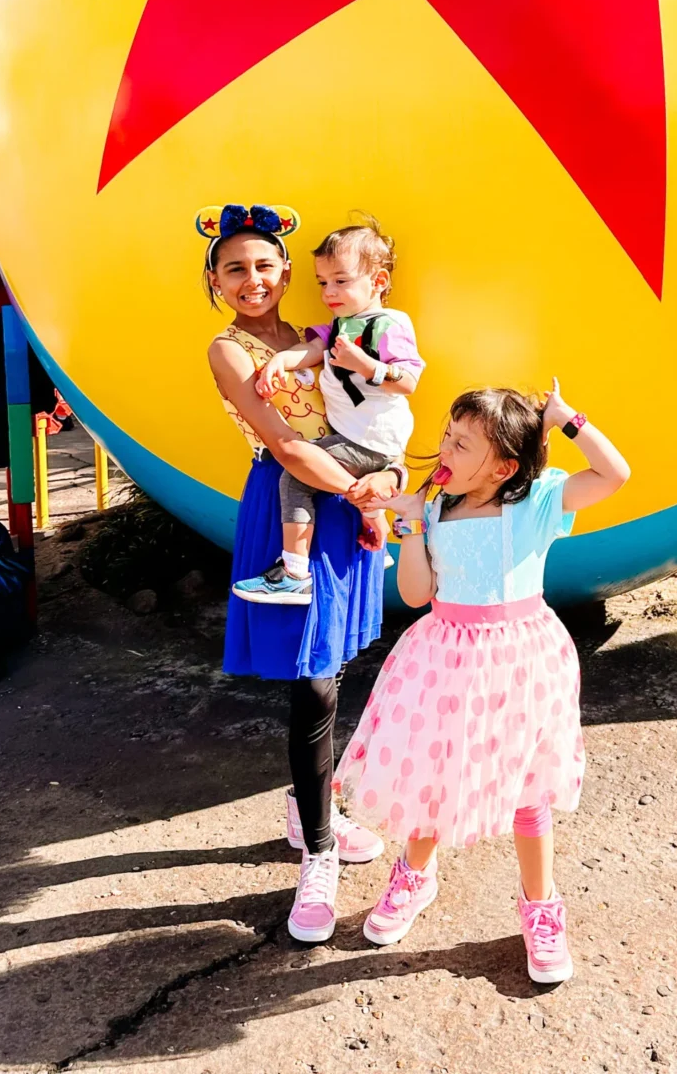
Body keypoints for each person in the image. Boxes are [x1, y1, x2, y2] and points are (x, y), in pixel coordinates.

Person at [335, 380, 630, 984]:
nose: (443, 449)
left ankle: (540, 907)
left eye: (461, 443)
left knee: (529, 790)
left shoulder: (540, 502)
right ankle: (415, 876)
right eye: (447, 434)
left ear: (503, 466)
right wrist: (410, 526)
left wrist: (565, 418)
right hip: (444, 657)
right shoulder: (434, 507)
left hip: (523, 660)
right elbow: (417, 594)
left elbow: (614, 473)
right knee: (432, 772)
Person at [199, 202, 403, 943]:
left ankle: (309, 804)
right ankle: (318, 852)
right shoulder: (230, 350)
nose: (252, 280)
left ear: (287, 270)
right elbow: (285, 444)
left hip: (342, 500)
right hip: (295, 503)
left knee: (336, 660)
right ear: (215, 280)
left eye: (263, 265)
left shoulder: (320, 333)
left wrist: (377, 478)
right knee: (311, 674)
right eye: (235, 269)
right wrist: (365, 490)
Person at [233, 217, 423, 605]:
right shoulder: (342, 325)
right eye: (323, 283)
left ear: (379, 282)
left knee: (295, 480)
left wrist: (365, 364)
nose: (329, 291)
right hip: (356, 437)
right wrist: (279, 362)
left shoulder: (389, 323)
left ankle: (294, 572)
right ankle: (376, 526)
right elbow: (316, 350)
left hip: (370, 440)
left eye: (341, 280)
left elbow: (409, 382)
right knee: (313, 470)